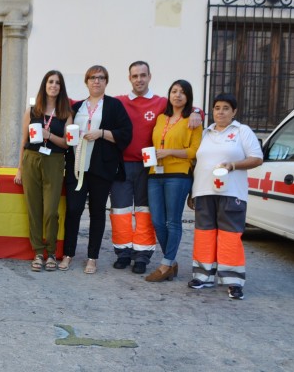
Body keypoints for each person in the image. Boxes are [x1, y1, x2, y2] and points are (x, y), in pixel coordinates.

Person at [111, 61, 203, 274]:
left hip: (148, 168)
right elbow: (91, 103)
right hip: (122, 166)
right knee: (120, 212)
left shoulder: (161, 103)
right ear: (129, 78)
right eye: (135, 76)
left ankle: (142, 255)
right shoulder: (119, 102)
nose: (139, 79)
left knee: (146, 213)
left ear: (150, 77)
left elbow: (185, 108)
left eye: (143, 75)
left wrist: (198, 111)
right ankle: (123, 253)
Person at [188, 93, 262, 300]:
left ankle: (233, 281)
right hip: (204, 191)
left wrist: (234, 165)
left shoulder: (242, 131)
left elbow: (257, 158)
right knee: (204, 234)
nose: (220, 112)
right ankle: (203, 276)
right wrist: (192, 191)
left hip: (232, 192)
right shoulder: (205, 133)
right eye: (217, 107)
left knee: (230, 235)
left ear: (234, 111)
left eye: (226, 108)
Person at [62, 65, 133, 274]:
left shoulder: (114, 106)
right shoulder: (77, 107)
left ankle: (92, 257)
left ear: (106, 82)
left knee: (97, 212)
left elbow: (125, 134)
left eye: (101, 78)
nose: (96, 81)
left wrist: (101, 133)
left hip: (101, 168)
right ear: (87, 81)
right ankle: (68, 254)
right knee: (73, 210)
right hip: (77, 167)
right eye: (93, 77)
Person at [13, 70, 73, 272]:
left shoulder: (66, 113)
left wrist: (49, 134)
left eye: (57, 82)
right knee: (34, 208)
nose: (53, 85)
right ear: (44, 85)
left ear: (61, 87)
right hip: (31, 159)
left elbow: (67, 144)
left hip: (54, 161)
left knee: (51, 211)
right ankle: (38, 252)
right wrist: (20, 169)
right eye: (50, 82)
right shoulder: (33, 110)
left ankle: (52, 252)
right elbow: (23, 141)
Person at [145, 80, 202, 282]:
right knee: (157, 221)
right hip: (155, 173)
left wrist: (169, 151)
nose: (177, 95)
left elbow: (195, 151)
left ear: (188, 97)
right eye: (174, 91)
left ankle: (166, 263)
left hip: (178, 174)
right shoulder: (161, 117)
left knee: (172, 221)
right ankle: (171, 261)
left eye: (182, 92)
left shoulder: (193, 120)